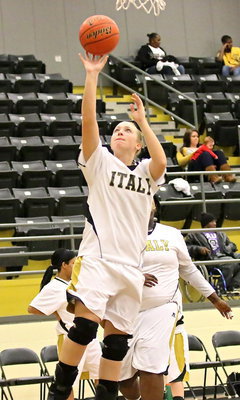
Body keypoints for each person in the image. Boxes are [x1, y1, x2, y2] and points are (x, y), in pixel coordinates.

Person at [47, 52, 167, 400]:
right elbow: (88, 126)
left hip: (130, 267)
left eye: (126, 130)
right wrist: (91, 75)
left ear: (138, 143)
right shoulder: (100, 163)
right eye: (116, 129)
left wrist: (142, 120)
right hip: (98, 260)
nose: (119, 132)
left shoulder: (145, 173)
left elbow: (160, 161)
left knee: (116, 343)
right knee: (84, 327)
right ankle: (59, 390)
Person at [119, 205, 232, 400]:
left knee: (151, 368)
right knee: (123, 380)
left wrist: (214, 298)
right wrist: (134, 275)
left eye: (149, 200)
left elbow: (188, 270)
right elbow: (107, 269)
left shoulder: (171, 234)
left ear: (154, 206)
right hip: (126, 312)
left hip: (163, 308)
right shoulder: (120, 233)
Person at [28, 249, 102, 400]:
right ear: (64, 265)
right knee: (68, 382)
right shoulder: (54, 287)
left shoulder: (76, 283)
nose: (77, 266)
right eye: (74, 263)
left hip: (90, 337)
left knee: (102, 375)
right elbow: (32, 308)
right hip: (70, 336)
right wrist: (56, 312)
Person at [185, 212, 240, 291]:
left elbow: (232, 245)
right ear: (206, 223)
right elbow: (187, 247)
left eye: (215, 221)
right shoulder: (194, 235)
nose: (215, 223)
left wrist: (227, 248)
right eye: (212, 222)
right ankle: (220, 287)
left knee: (233, 261)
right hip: (210, 259)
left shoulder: (221, 234)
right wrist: (198, 249)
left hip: (224, 256)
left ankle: (235, 285)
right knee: (230, 262)